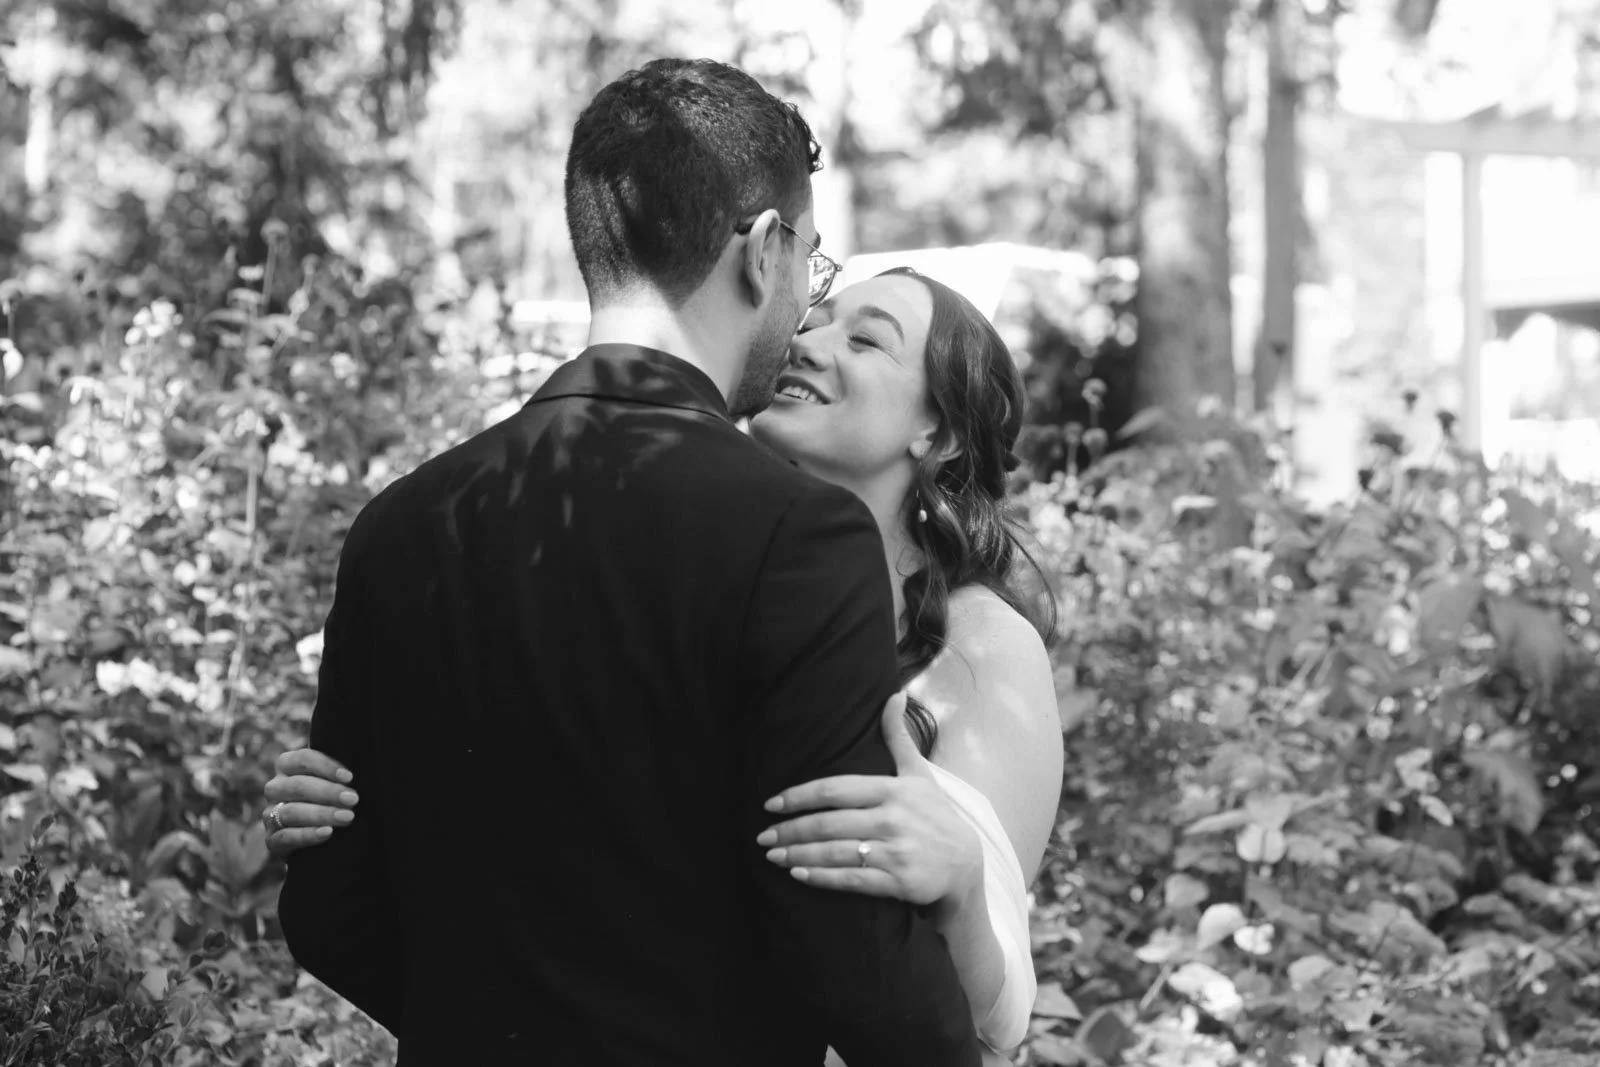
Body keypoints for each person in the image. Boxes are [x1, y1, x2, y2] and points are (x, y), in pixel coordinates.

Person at [272, 57, 998, 1067]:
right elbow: (842, 935)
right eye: (810, 265)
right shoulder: (795, 535)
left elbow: (330, 903)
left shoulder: (400, 522)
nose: (802, 309)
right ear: (761, 248)